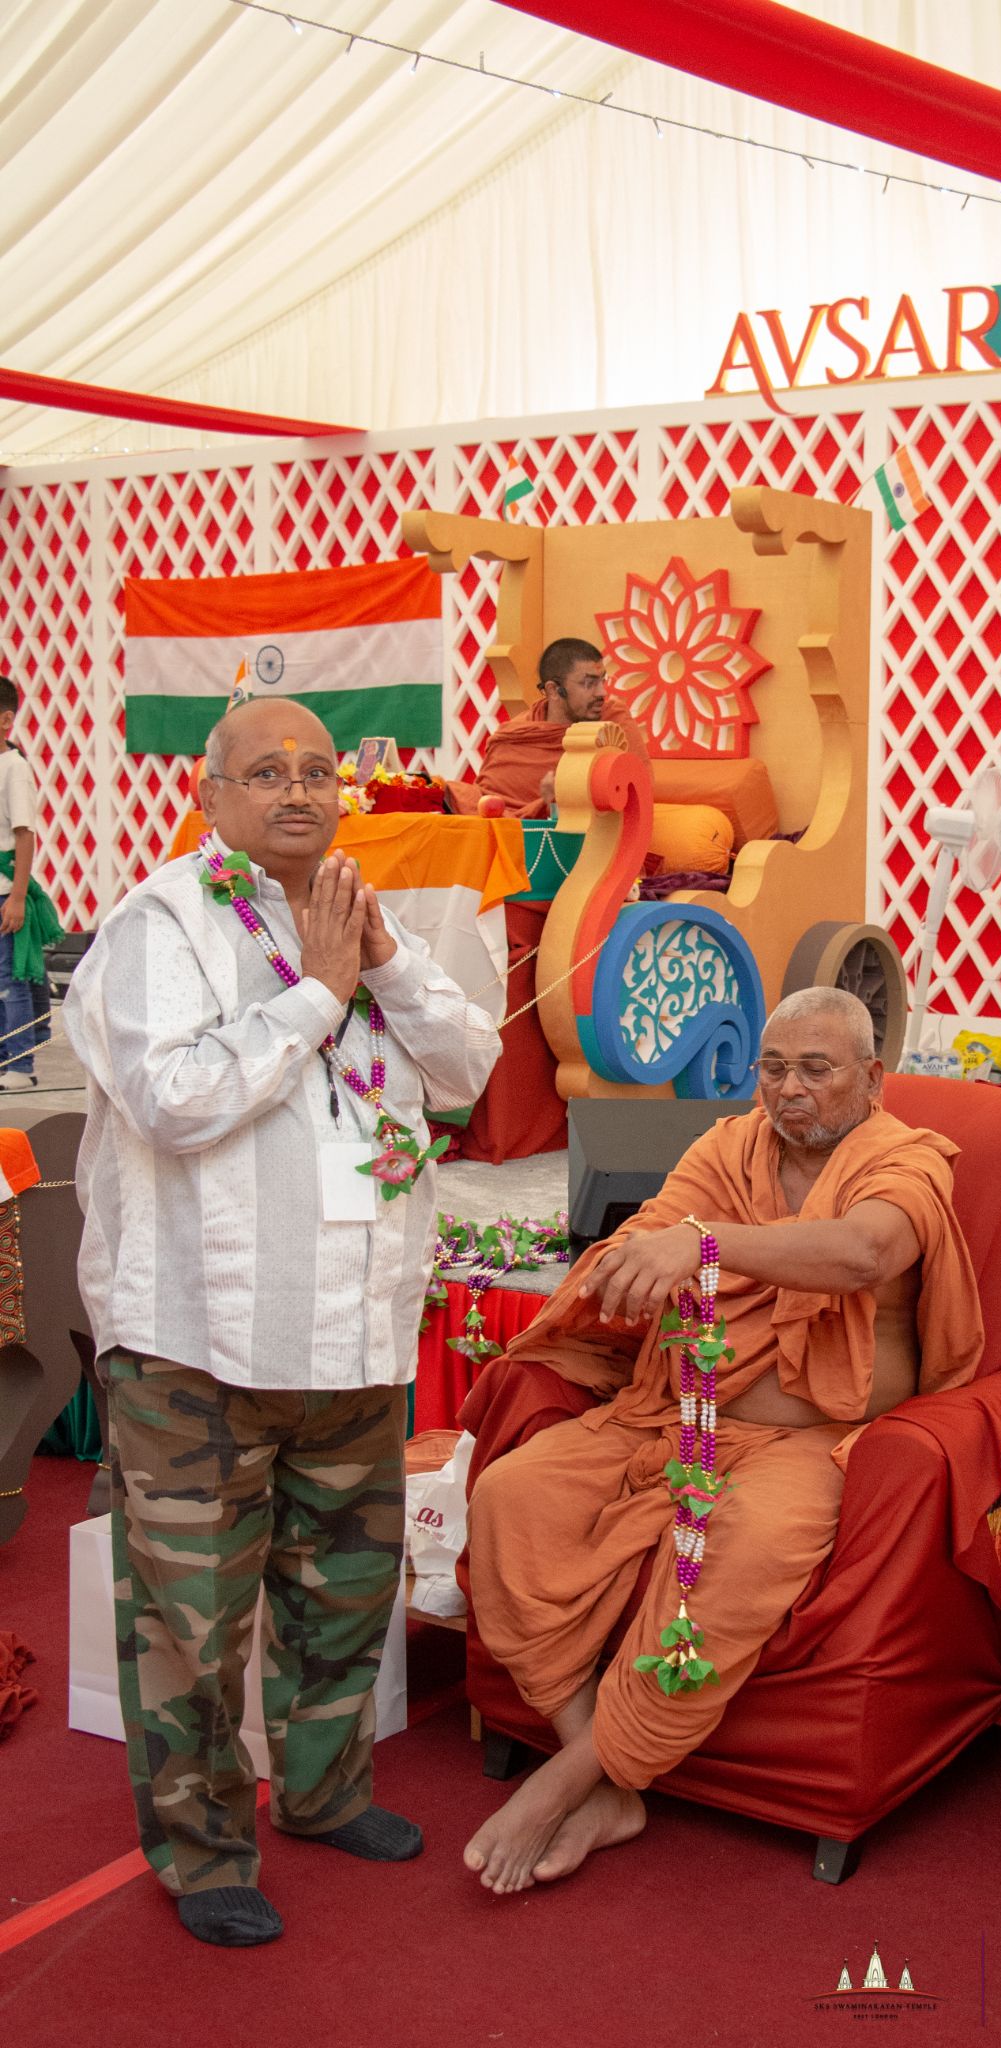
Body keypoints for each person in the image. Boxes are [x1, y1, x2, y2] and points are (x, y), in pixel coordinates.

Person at [63, 696, 501, 1948]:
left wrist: (383, 960)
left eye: (318, 769)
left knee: (344, 1594)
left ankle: (322, 1791)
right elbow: (173, 1097)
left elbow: (465, 1073)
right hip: (198, 1344)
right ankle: (202, 1853)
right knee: (193, 1627)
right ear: (210, 797)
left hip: (352, 1337)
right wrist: (316, 992)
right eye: (266, 771)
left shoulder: (375, 912)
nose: (299, 790)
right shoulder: (161, 924)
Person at [462, 988, 983, 1895]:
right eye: (773, 1068)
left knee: (738, 1550)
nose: (789, 1090)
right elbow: (657, 1229)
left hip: (803, 1445)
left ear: (872, 1078)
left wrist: (704, 1247)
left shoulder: (905, 1161)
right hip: (673, 1417)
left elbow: (862, 1253)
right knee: (513, 1495)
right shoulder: (727, 1148)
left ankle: (570, 1779)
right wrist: (630, 1263)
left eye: (816, 1070)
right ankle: (601, 1766)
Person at [451, 638, 647, 817]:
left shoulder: (613, 721)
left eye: (603, 681)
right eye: (589, 684)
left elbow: (638, 789)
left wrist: (563, 798)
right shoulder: (517, 733)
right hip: (506, 831)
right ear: (553, 690)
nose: (602, 692)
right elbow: (487, 798)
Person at [0, 674, 62, 1091]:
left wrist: (18, 897)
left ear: (6, 720)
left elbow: (24, 834)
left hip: (6, 892)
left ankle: (21, 1061)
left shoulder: (14, 768)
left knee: (12, 979)